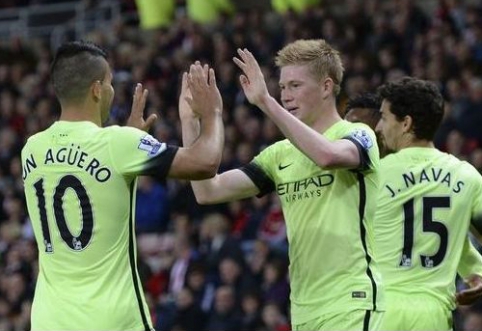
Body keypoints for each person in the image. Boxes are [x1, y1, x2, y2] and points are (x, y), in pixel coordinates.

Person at [21, 41, 224, 331]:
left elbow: (84, 166)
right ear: (96, 89)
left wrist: (130, 143)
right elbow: (206, 163)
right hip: (111, 319)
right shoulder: (117, 144)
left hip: (49, 319)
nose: (112, 91)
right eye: (110, 83)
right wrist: (211, 113)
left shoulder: (31, 149)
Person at [182, 39, 384, 330]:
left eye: (295, 86)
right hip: (303, 307)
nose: (286, 96)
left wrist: (266, 101)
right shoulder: (280, 154)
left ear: (327, 87)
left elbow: (327, 156)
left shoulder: (358, 134)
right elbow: (207, 190)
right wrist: (194, 120)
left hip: (351, 300)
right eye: (282, 88)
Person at [344, 91, 482, 310]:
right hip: (430, 310)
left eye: (358, 128)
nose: (348, 138)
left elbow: (441, 228)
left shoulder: (374, 178)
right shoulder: (456, 174)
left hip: (378, 308)